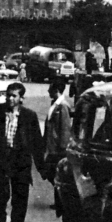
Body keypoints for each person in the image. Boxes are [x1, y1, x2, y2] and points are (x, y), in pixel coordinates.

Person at [0, 82, 45, 222]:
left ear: (21, 98)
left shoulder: (29, 116)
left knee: (20, 200)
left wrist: (42, 167)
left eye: (14, 96)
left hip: (20, 162)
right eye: (8, 95)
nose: (10, 98)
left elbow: (37, 143)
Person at [42, 80, 72, 211]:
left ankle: (60, 201)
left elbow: (65, 128)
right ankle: (59, 201)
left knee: (53, 172)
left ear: (56, 90)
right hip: (52, 145)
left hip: (58, 148)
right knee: (52, 172)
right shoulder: (55, 104)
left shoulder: (63, 106)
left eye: (50, 89)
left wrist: (63, 146)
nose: (48, 91)